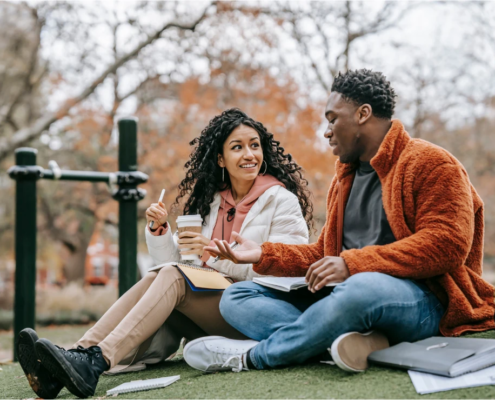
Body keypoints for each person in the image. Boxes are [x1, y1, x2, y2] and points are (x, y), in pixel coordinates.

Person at [183, 69, 495, 374]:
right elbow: (323, 254)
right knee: (236, 297)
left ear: (363, 114)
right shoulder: (343, 178)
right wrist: (263, 254)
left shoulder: (430, 161)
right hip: (345, 296)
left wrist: (352, 264)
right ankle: (343, 342)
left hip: (423, 301)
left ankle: (254, 357)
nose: (327, 130)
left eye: (333, 119)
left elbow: (446, 244)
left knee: (362, 287)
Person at [17, 108, 313, 398]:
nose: (249, 154)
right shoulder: (210, 201)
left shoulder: (280, 200)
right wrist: (160, 231)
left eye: (254, 146)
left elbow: (288, 266)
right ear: (221, 158)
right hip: (210, 311)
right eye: (237, 147)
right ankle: (73, 359)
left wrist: (219, 258)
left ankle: (95, 361)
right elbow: (175, 268)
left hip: (251, 312)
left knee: (173, 276)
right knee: (160, 275)